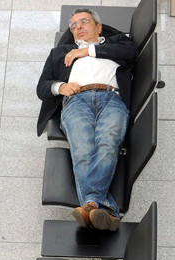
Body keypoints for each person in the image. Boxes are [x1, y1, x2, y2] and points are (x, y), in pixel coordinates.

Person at [36, 8, 138, 231]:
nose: (78, 27)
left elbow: (132, 53)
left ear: (98, 27)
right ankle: (104, 208)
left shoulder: (118, 44)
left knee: (108, 143)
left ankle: (91, 206)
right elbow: (42, 87)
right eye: (73, 25)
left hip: (112, 98)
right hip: (76, 102)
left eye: (84, 22)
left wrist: (86, 52)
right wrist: (60, 86)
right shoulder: (60, 53)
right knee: (82, 151)